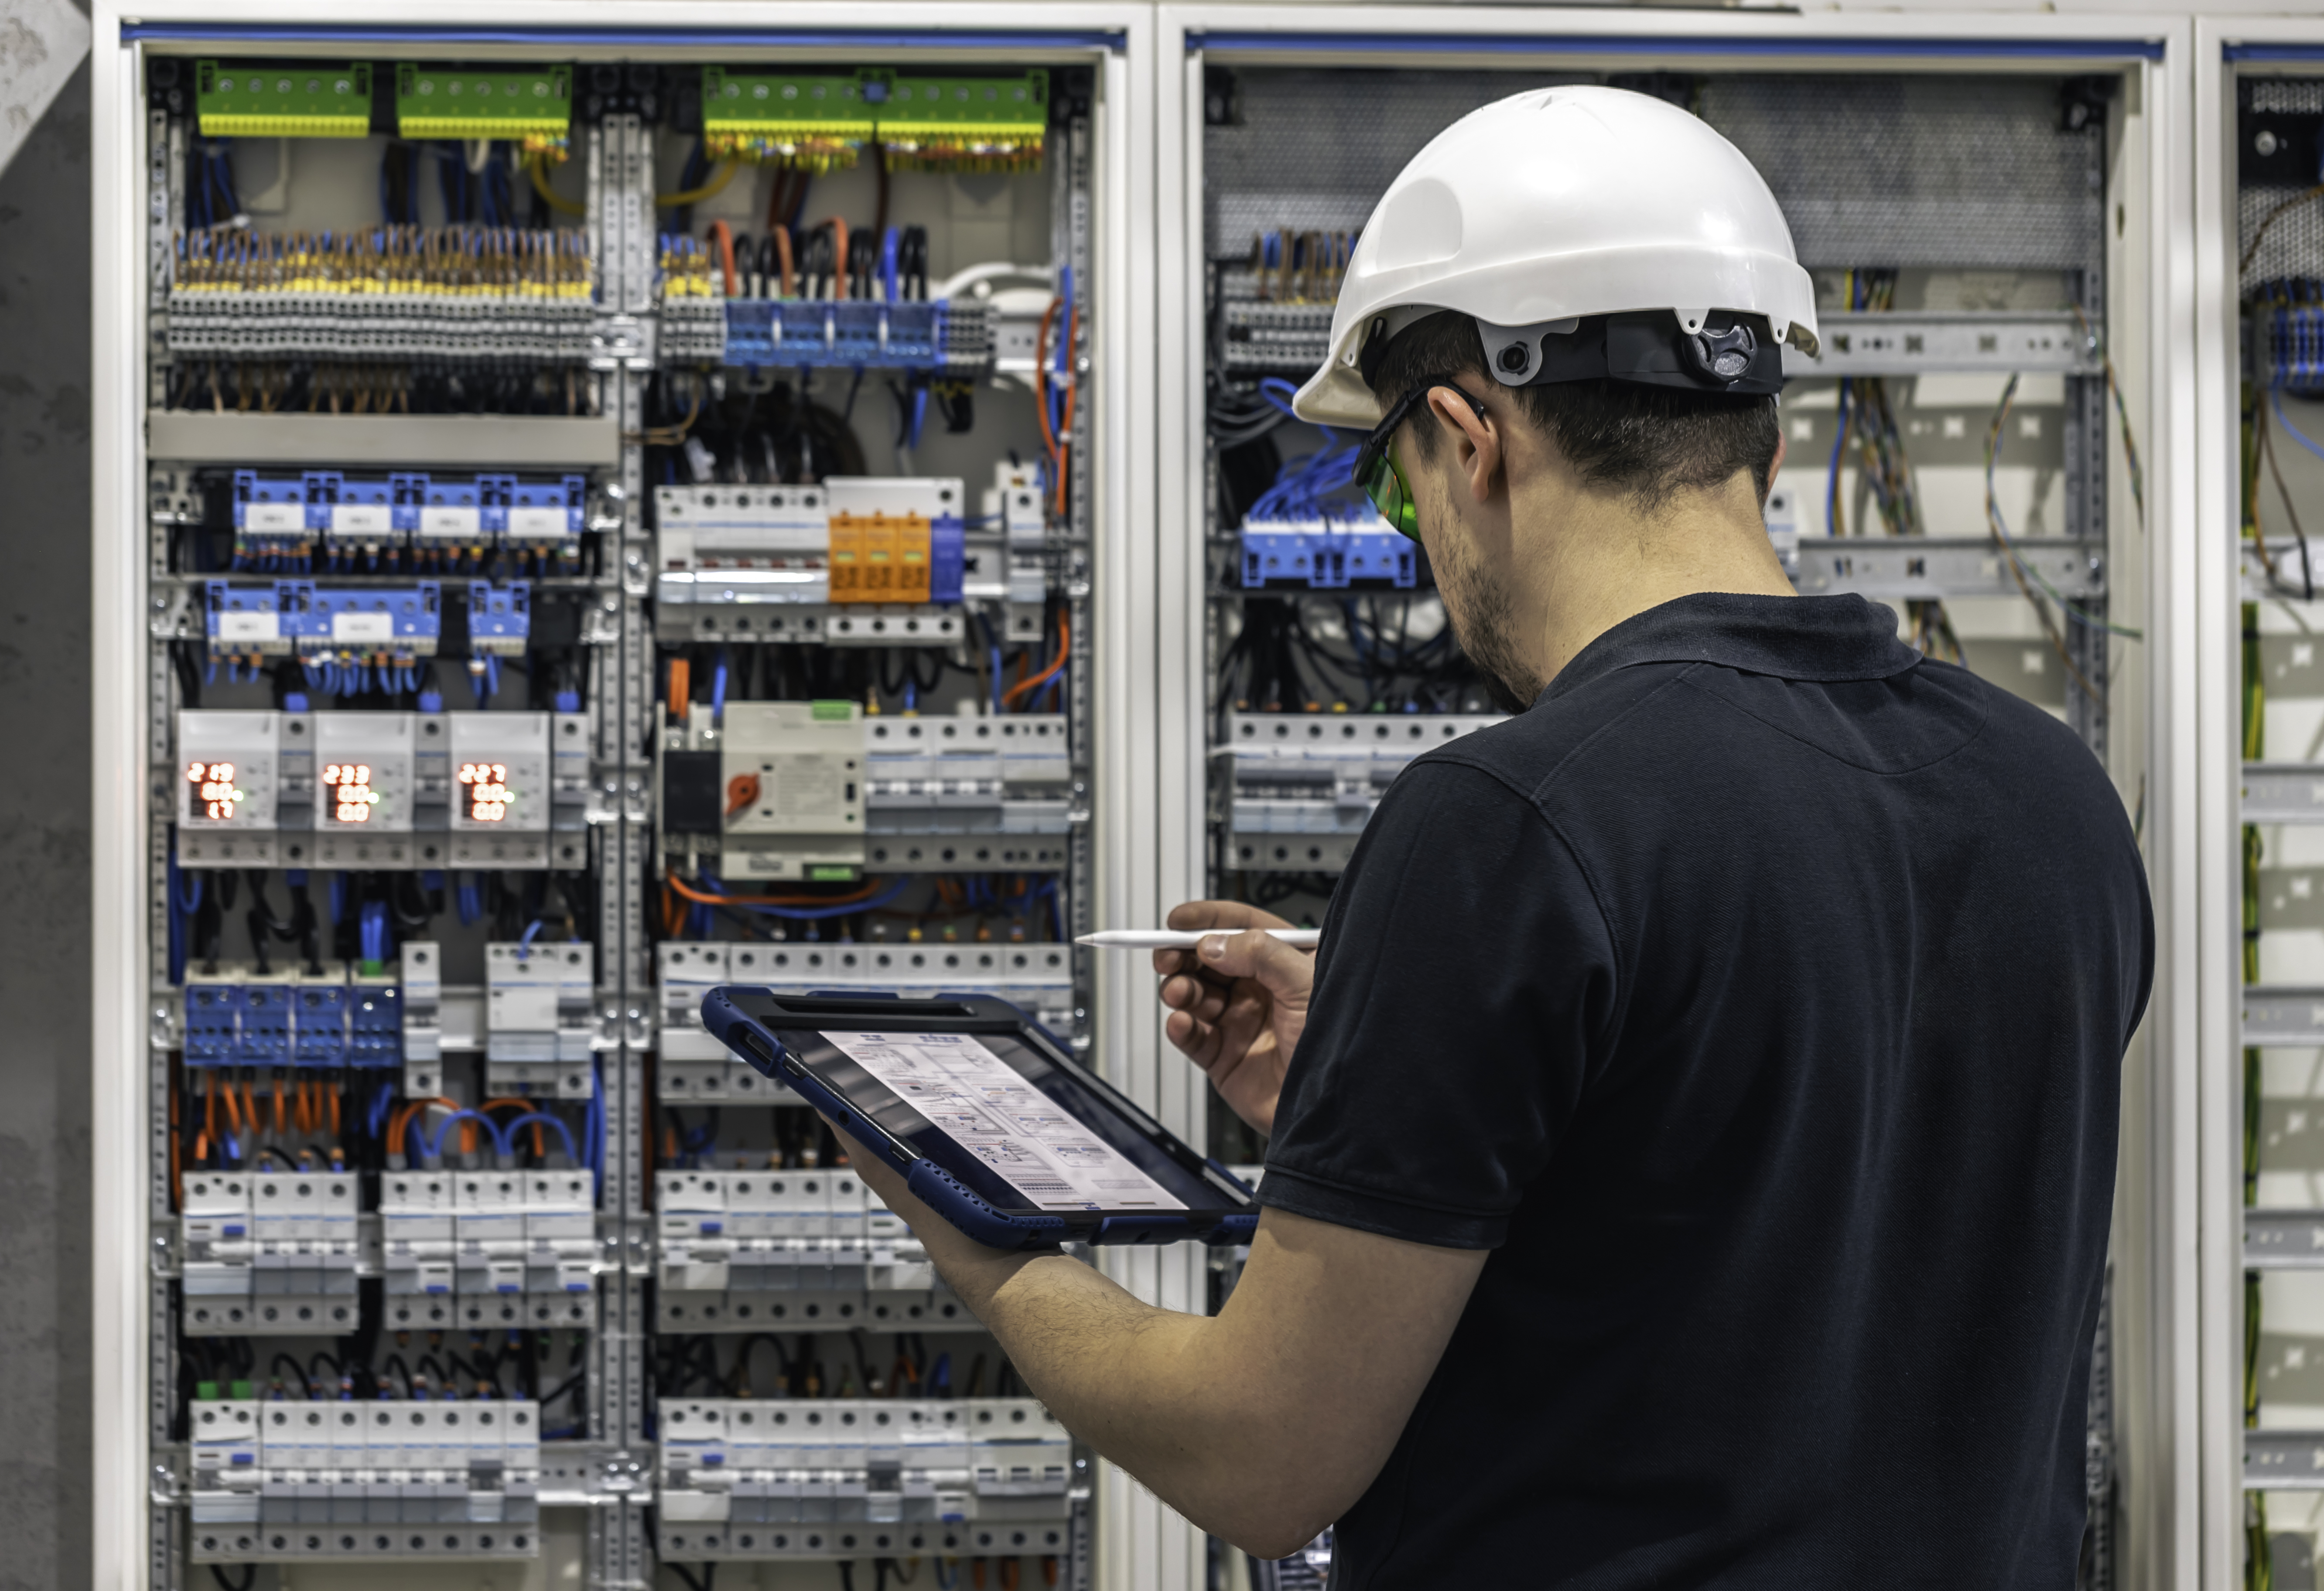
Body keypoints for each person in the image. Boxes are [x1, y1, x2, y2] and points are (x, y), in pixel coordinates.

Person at [836, 86, 2153, 1588]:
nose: (1428, 556)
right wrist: (1394, 1087)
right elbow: (1775, 1224)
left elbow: (1261, 1458)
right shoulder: (2054, 796)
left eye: (1400, 499)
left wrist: (987, 1243)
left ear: (1470, 441)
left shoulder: (1512, 821)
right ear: (1764, 450)